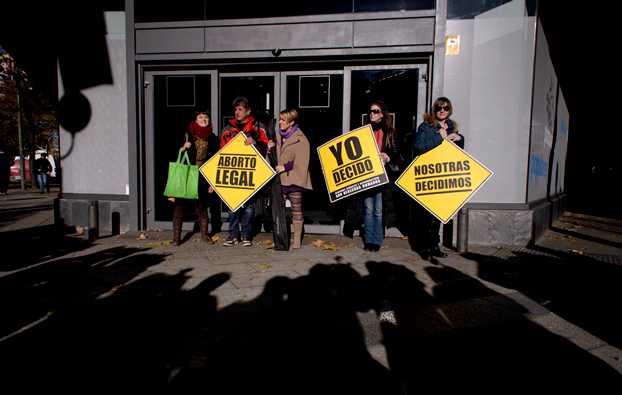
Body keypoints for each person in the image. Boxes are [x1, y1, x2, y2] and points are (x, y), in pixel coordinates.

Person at [411, 97, 465, 261]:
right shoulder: (426, 126)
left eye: (446, 108)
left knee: (438, 217)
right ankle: (425, 248)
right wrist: (439, 137)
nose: (442, 110)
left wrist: (460, 139)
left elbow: (458, 153)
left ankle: (435, 246)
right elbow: (419, 147)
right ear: (434, 110)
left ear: (450, 110)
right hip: (429, 175)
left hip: (445, 176)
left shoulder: (453, 127)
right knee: (426, 217)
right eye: (439, 108)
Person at [221, 96, 269, 247]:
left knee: (248, 207)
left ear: (248, 111)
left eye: (240, 109)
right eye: (235, 109)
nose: (237, 112)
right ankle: (232, 235)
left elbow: (267, 147)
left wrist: (256, 143)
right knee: (232, 205)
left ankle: (246, 235)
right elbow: (221, 151)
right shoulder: (227, 129)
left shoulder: (258, 127)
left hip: (251, 173)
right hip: (233, 173)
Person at [168, 110, 219, 246]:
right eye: (200, 117)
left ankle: (204, 235)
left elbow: (215, 161)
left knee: (202, 207)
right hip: (186, 173)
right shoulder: (187, 135)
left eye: (206, 117)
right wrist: (182, 148)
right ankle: (176, 238)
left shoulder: (213, 138)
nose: (203, 119)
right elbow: (174, 155)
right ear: (195, 120)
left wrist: (212, 183)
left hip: (203, 175)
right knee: (180, 206)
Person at [267, 108, 312, 249]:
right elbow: (274, 159)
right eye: (279, 119)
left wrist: (285, 167)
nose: (280, 122)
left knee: (296, 209)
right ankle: (281, 236)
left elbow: (302, 161)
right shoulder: (278, 136)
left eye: (283, 120)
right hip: (279, 179)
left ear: (291, 123)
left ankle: (297, 239)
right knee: (279, 209)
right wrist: (270, 149)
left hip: (294, 179)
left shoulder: (301, 138)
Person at [360, 100, 401, 251]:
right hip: (368, 175)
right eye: (371, 111)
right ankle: (369, 241)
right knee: (368, 208)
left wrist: (387, 156)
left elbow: (396, 152)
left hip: (383, 176)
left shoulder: (390, 132)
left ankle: (376, 241)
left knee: (378, 210)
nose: (372, 114)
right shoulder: (364, 131)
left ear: (382, 114)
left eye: (376, 111)